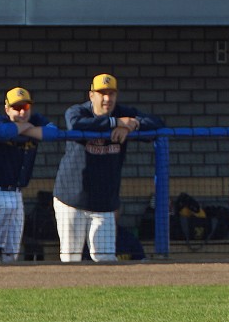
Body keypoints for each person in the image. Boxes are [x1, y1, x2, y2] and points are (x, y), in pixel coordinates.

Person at [54, 73, 164, 262]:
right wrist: (116, 122)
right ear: (91, 95)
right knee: (71, 258)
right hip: (71, 200)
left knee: (106, 259)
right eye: (102, 93)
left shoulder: (123, 112)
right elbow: (75, 124)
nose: (107, 98)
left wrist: (132, 125)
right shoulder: (79, 111)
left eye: (111, 93)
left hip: (104, 203)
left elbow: (158, 124)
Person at [0, 87, 59, 263]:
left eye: (25, 107)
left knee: (13, 249)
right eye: (17, 108)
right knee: (6, 206)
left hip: (15, 193)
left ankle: (6, 272)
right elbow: (2, 132)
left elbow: (54, 133)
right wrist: (27, 128)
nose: (22, 112)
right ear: (7, 109)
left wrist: (22, 129)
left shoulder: (36, 119)